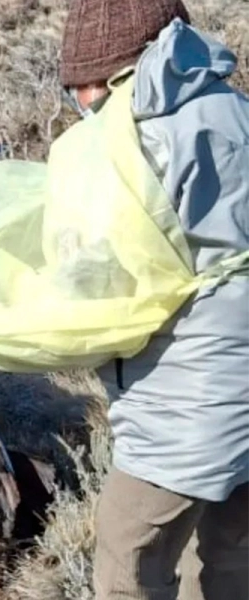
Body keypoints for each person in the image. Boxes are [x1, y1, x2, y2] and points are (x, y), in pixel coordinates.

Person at [58, 1, 248, 599]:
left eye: (86, 84)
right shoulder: (233, 107)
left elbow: (97, 278)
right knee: (232, 556)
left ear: (123, 70)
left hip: (190, 400)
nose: (80, 100)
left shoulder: (138, 139)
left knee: (128, 562)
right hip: (234, 391)